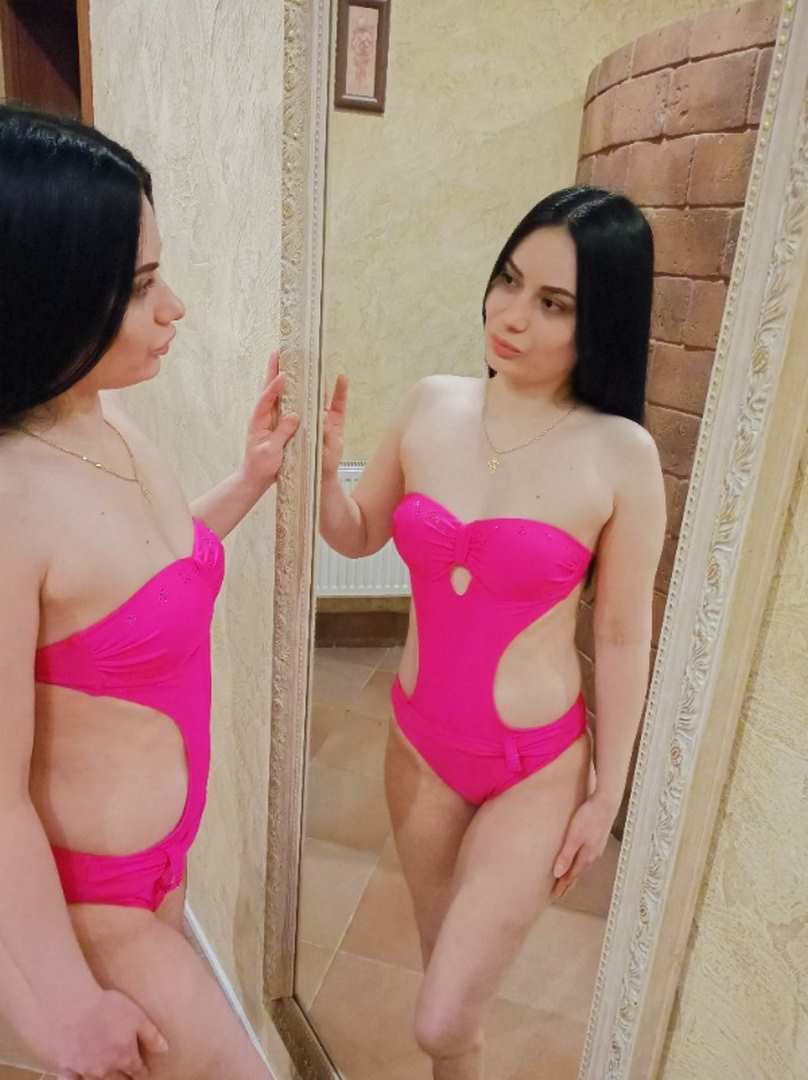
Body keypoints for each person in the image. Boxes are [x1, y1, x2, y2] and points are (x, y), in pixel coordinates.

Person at [319, 186, 666, 1080]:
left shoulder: (621, 453)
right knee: (453, 1003)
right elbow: (357, 532)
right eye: (509, 280)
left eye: (553, 303)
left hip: (535, 770)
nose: (510, 316)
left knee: (440, 1014)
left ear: (602, 321)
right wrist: (320, 478)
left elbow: (622, 633)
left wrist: (607, 792)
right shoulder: (430, 405)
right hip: (418, 748)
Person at [0, 104, 298, 1079]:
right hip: (91, 910)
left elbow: (139, 584)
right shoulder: (10, 499)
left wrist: (246, 482)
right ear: (43, 291)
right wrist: (65, 1001)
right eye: (138, 287)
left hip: (161, 876)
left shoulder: (105, 420)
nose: (176, 308)